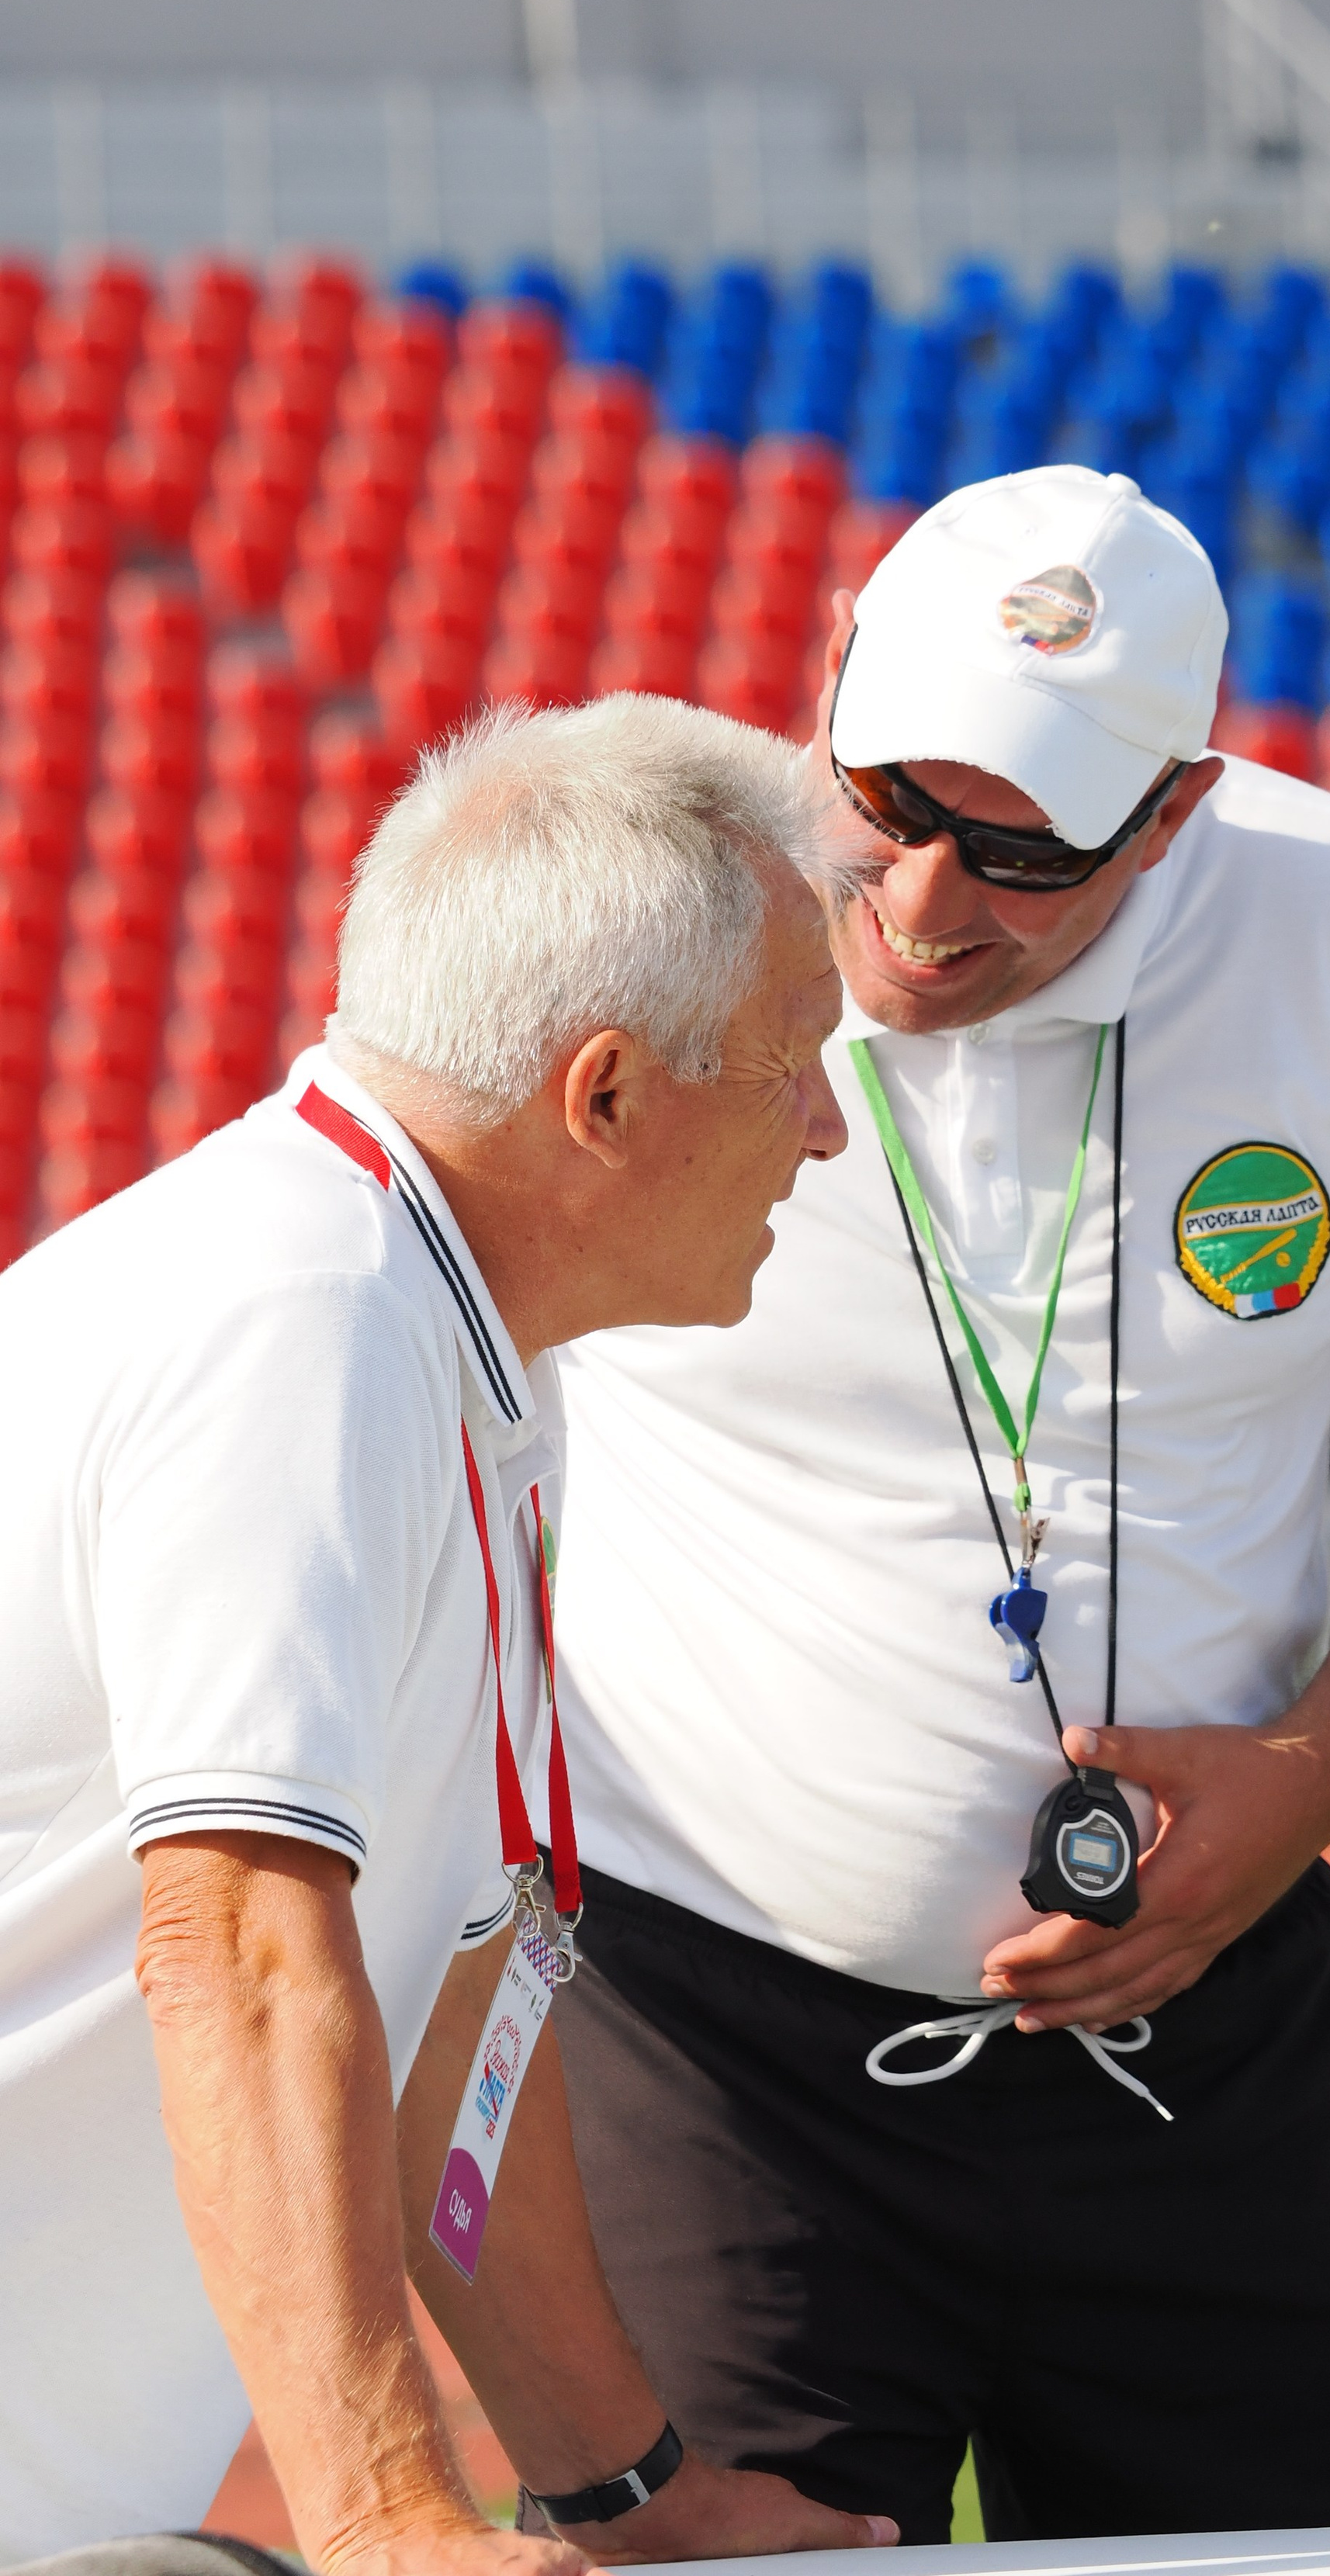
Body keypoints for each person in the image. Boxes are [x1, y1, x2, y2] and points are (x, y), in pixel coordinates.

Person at [549, 465, 1330, 2543]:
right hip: (706, 2056)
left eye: (1030, 846)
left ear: (1179, 806)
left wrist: (1303, 1781)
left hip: (1210, 2046)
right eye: (894, 802)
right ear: (834, 663)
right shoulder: (622, 921)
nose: (932, 899)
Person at [0, 696, 895, 2571]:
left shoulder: (436, 1316)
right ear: (608, 1096)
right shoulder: (299, 1326)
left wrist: (621, 2492)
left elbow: (450, 2000)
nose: (826, 1129)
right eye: (792, 1061)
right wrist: (383, 2517)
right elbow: (239, 1941)